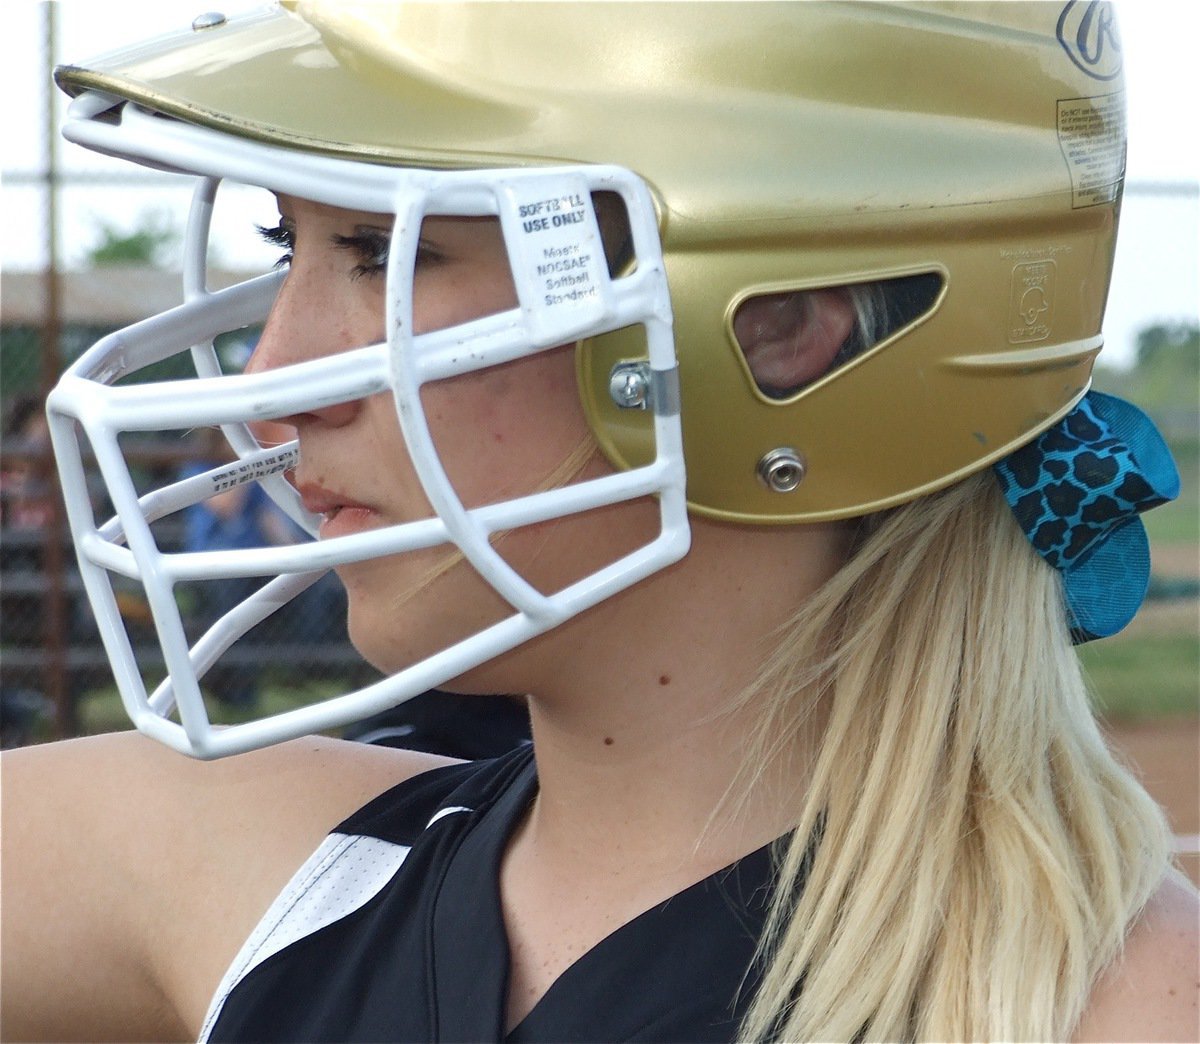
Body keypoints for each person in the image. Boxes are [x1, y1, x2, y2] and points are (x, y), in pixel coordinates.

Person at [2, 4, 1196, 1042]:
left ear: (777, 325)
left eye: (382, 252)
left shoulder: (1118, 1009)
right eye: (287, 242)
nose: (282, 369)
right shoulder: (255, 875)